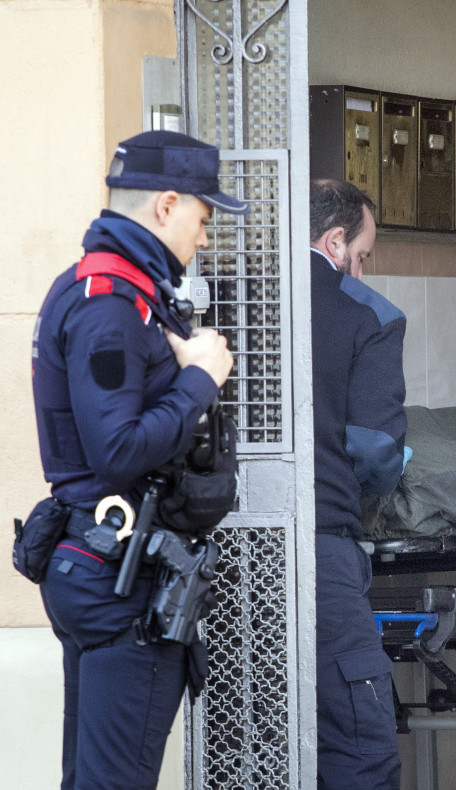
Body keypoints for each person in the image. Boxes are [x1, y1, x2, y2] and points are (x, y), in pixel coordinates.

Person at [29, 130, 247, 789]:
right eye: (202, 219)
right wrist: (201, 379)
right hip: (120, 573)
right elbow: (118, 449)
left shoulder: (105, 290)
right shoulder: (111, 303)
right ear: (165, 206)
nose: (204, 238)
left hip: (97, 558)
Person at [309, 179, 406, 790]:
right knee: (358, 745)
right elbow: (374, 454)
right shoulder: (367, 313)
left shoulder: (232, 301)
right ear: (336, 240)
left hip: (223, 549)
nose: (362, 271)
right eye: (363, 255)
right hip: (322, 555)